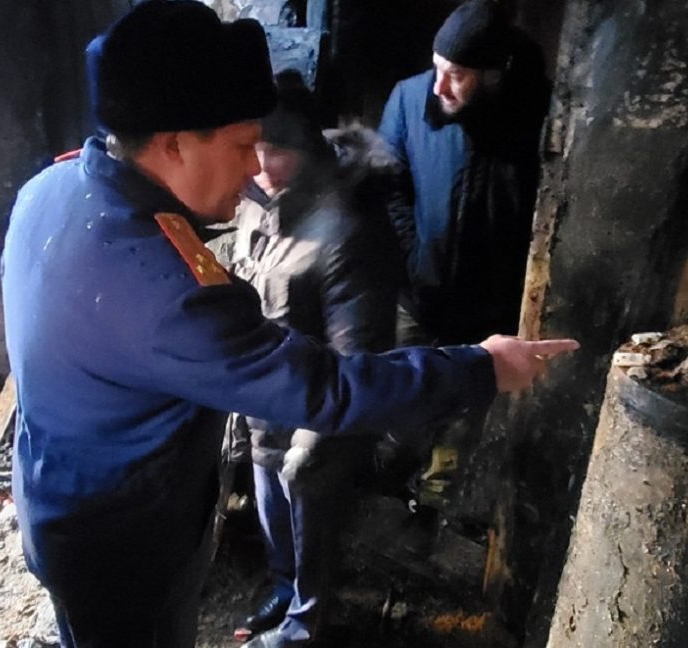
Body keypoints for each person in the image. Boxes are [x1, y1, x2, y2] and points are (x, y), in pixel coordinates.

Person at [0, 2, 578, 647]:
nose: (254, 167)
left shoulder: (50, 191)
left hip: (58, 498)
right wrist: (482, 366)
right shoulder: (167, 290)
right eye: (242, 145)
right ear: (174, 144)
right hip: (126, 543)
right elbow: (331, 389)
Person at [217, 71, 399, 648]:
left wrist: (315, 440)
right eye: (254, 149)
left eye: (276, 152)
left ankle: (303, 627)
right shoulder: (256, 204)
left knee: (311, 525)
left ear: (306, 149)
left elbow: (356, 352)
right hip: (263, 409)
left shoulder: (347, 226)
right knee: (275, 517)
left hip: (313, 417)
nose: (261, 166)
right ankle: (283, 587)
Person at [379, 0, 551, 346]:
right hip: (417, 303)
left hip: (492, 320)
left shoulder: (536, 115)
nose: (439, 87)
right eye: (437, 68)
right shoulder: (409, 100)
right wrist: (415, 260)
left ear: (493, 74)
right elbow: (389, 188)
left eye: (456, 75)